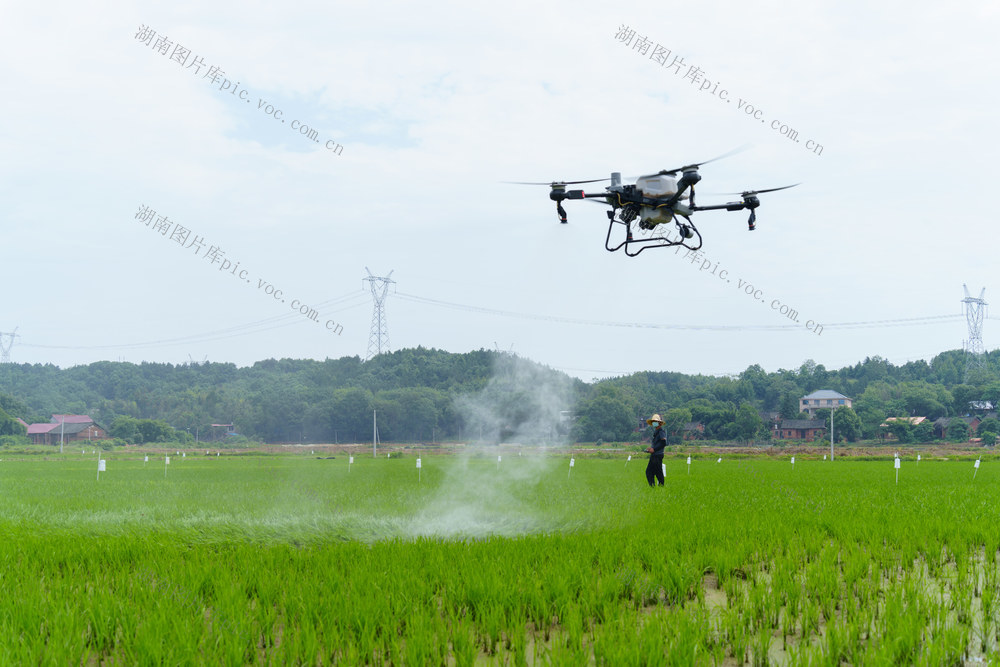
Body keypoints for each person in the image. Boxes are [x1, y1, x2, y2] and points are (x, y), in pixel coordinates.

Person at [645, 414, 667, 486]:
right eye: (653, 421)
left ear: (659, 423)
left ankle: (656, 487)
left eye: (655, 421)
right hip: (655, 455)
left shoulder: (661, 432)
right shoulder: (656, 432)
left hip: (657, 455)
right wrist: (650, 449)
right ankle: (654, 487)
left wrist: (654, 449)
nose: (654, 423)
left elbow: (663, 443)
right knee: (652, 472)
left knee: (654, 472)